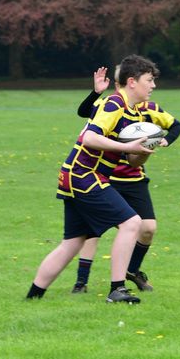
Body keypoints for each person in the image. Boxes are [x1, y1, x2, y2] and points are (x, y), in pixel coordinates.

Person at [26, 55, 160, 303]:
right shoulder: (114, 104)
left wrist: (143, 152)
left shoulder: (132, 114)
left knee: (72, 243)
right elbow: (89, 137)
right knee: (132, 223)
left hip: (76, 176)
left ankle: (33, 297)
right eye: (149, 80)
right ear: (132, 82)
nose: (153, 86)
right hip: (83, 174)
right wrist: (127, 146)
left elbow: (132, 162)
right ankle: (117, 289)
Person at [70, 66, 180, 293]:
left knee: (148, 228)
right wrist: (95, 93)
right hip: (105, 176)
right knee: (92, 231)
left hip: (133, 178)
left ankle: (131, 270)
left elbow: (176, 126)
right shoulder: (110, 105)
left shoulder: (149, 109)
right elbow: (84, 112)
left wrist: (164, 141)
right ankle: (81, 282)